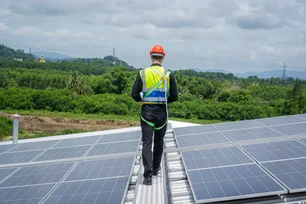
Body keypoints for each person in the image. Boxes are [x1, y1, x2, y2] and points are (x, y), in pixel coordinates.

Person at [131, 45, 178, 185]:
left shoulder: (143, 73)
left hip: (147, 114)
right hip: (161, 114)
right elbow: (174, 96)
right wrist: (164, 101)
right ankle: (156, 168)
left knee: (146, 143)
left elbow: (134, 94)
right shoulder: (169, 75)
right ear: (163, 57)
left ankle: (147, 176)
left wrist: (143, 99)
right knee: (159, 142)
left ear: (151, 56)